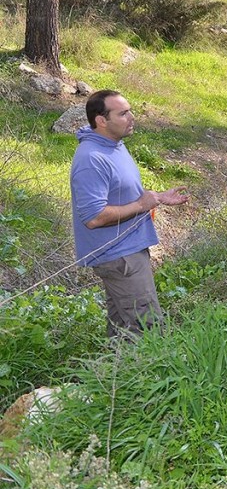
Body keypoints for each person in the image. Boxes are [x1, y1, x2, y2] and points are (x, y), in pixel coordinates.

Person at [70, 90, 189, 339]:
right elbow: (94, 217)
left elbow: (123, 194)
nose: (132, 117)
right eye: (123, 113)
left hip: (128, 251)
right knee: (148, 329)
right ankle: (152, 375)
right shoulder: (92, 158)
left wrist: (155, 198)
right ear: (101, 120)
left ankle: (112, 375)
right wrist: (141, 205)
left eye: (130, 110)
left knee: (122, 329)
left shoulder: (114, 145)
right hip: (119, 257)